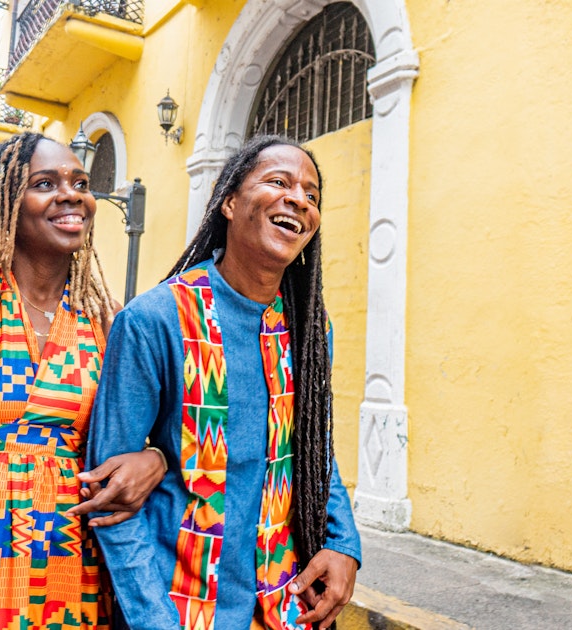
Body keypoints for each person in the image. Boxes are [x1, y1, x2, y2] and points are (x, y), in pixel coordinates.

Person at [79, 134, 361, 630]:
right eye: (278, 182)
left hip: (284, 604)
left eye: (312, 195)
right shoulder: (155, 319)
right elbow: (108, 495)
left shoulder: (310, 332)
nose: (299, 198)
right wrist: (151, 617)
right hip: (178, 605)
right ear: (229, 202)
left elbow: (316, 450)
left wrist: (342, 544)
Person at [0, 132, 165, 629]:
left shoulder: (106, 320)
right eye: (45, 183)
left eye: (80, 183)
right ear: (5, 203)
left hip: (63, 549)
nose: (71, 194)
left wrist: (154, 458)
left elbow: (147, 435)